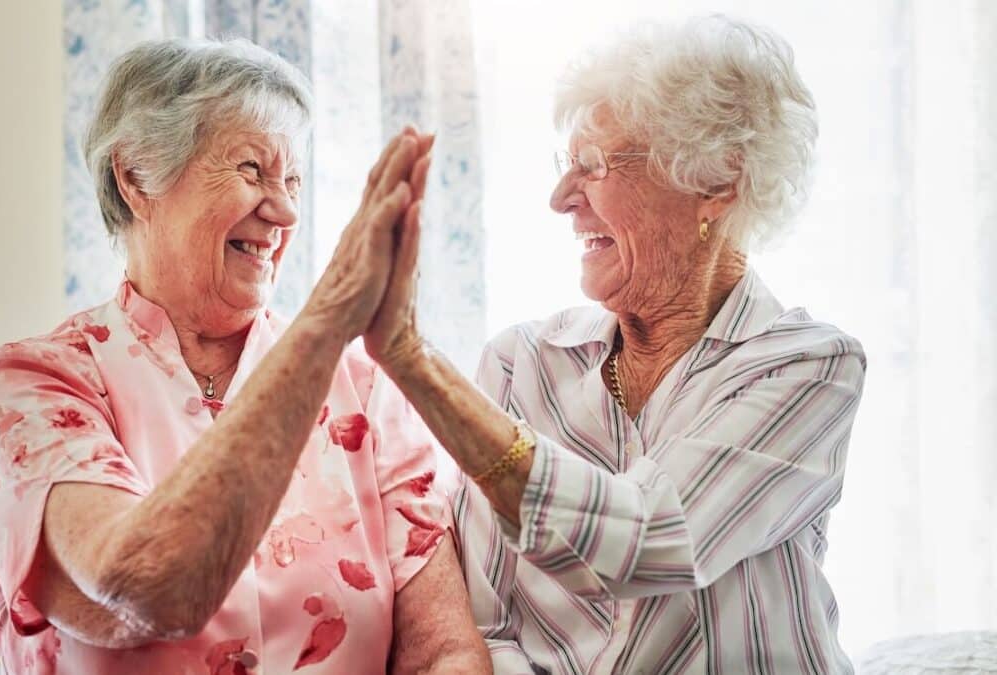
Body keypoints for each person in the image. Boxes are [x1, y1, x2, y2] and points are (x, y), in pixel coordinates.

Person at [365, 15, 866, 674]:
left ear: (715, 182)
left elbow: (650, 538)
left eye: (594, 165)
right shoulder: (519, 365)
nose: (560, 198)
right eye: (565, 164)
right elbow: (491, 627)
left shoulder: (807, 366)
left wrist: (413, 359)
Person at [0, 38, 488, 674]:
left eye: (293, 179)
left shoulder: (369, 394)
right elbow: (144, 590)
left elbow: (445, 652)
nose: (286, 211)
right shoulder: (41, 382)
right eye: (251, 171)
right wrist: (329, 320)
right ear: (135, 175)